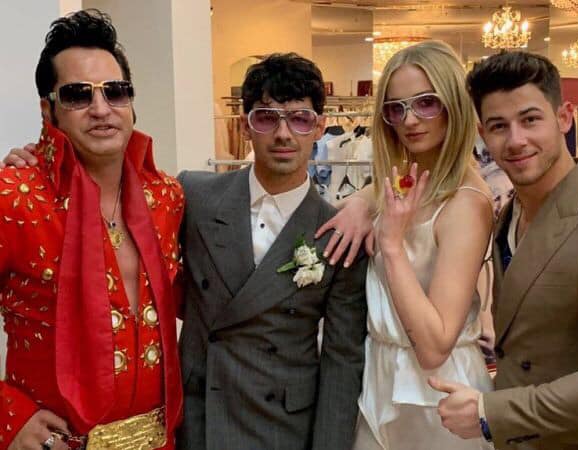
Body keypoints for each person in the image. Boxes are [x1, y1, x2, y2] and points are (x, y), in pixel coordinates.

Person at [428, 51, 578, 450]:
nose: (516, 140)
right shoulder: (508, 212)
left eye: (530, 120)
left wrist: (493, 413)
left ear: (564, 117)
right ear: (483, 134)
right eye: (499, 126)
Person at [0, 9, 183, 450]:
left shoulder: (167, 196)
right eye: (78, 95)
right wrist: (8, 416)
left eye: (115, 92)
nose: (101, 110)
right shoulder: (15, 197)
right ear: (49, 110)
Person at [175, 53, 368, 450]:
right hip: (200, 414)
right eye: (267, 118)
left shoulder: (337, 233)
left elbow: (342, 360)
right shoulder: (194, 196)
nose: (283, 134)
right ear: (246, 125)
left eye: (299, 119)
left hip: (282, 426)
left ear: (319, 127)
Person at [317, 40, 494, 449]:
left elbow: (434, 346)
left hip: (436, 393)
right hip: (379, 376)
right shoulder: (404, 182)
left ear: (453, 103)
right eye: (396, 109)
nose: (410, 119)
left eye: (426, 103)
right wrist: (363, 201)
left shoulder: (467, 203)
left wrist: (392, 245)